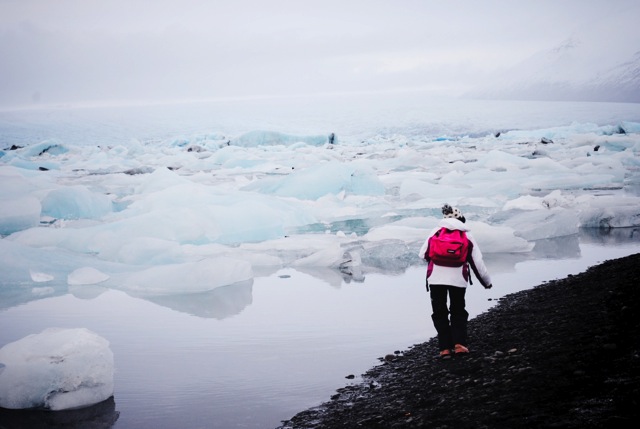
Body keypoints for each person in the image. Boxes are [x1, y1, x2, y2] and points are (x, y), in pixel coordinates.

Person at [418, 204, 493, 359]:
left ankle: (444, 348)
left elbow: (423, 254)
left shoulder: (436, 231)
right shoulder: (466, 234)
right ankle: (459, 345)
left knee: (440, 312)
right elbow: (477, 262)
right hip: (458, 279)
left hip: (436, 279)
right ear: (461, 218)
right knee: (458, 310)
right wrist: (486, 282)